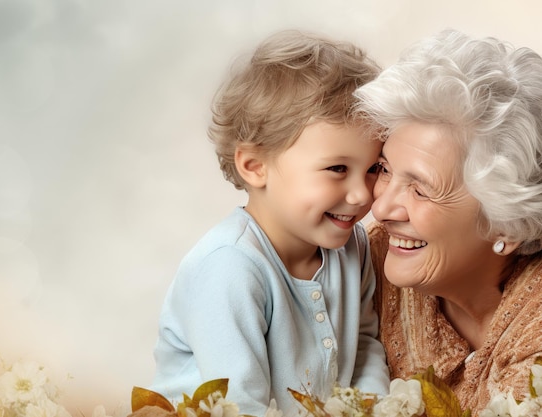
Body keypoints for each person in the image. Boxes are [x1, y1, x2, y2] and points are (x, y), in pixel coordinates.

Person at [149, 30, 390, 416]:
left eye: (374, 168)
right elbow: (239, 403)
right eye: (337, 169)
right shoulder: (230, 266)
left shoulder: (352, 247)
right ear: (255, 166)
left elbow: (363, 345)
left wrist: (374, 409)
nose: (362, 194)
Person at [353, 29, 542, 416]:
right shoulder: (363, 261)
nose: (382, 208)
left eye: (421, 191)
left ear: (506, 222)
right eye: (385, 170)